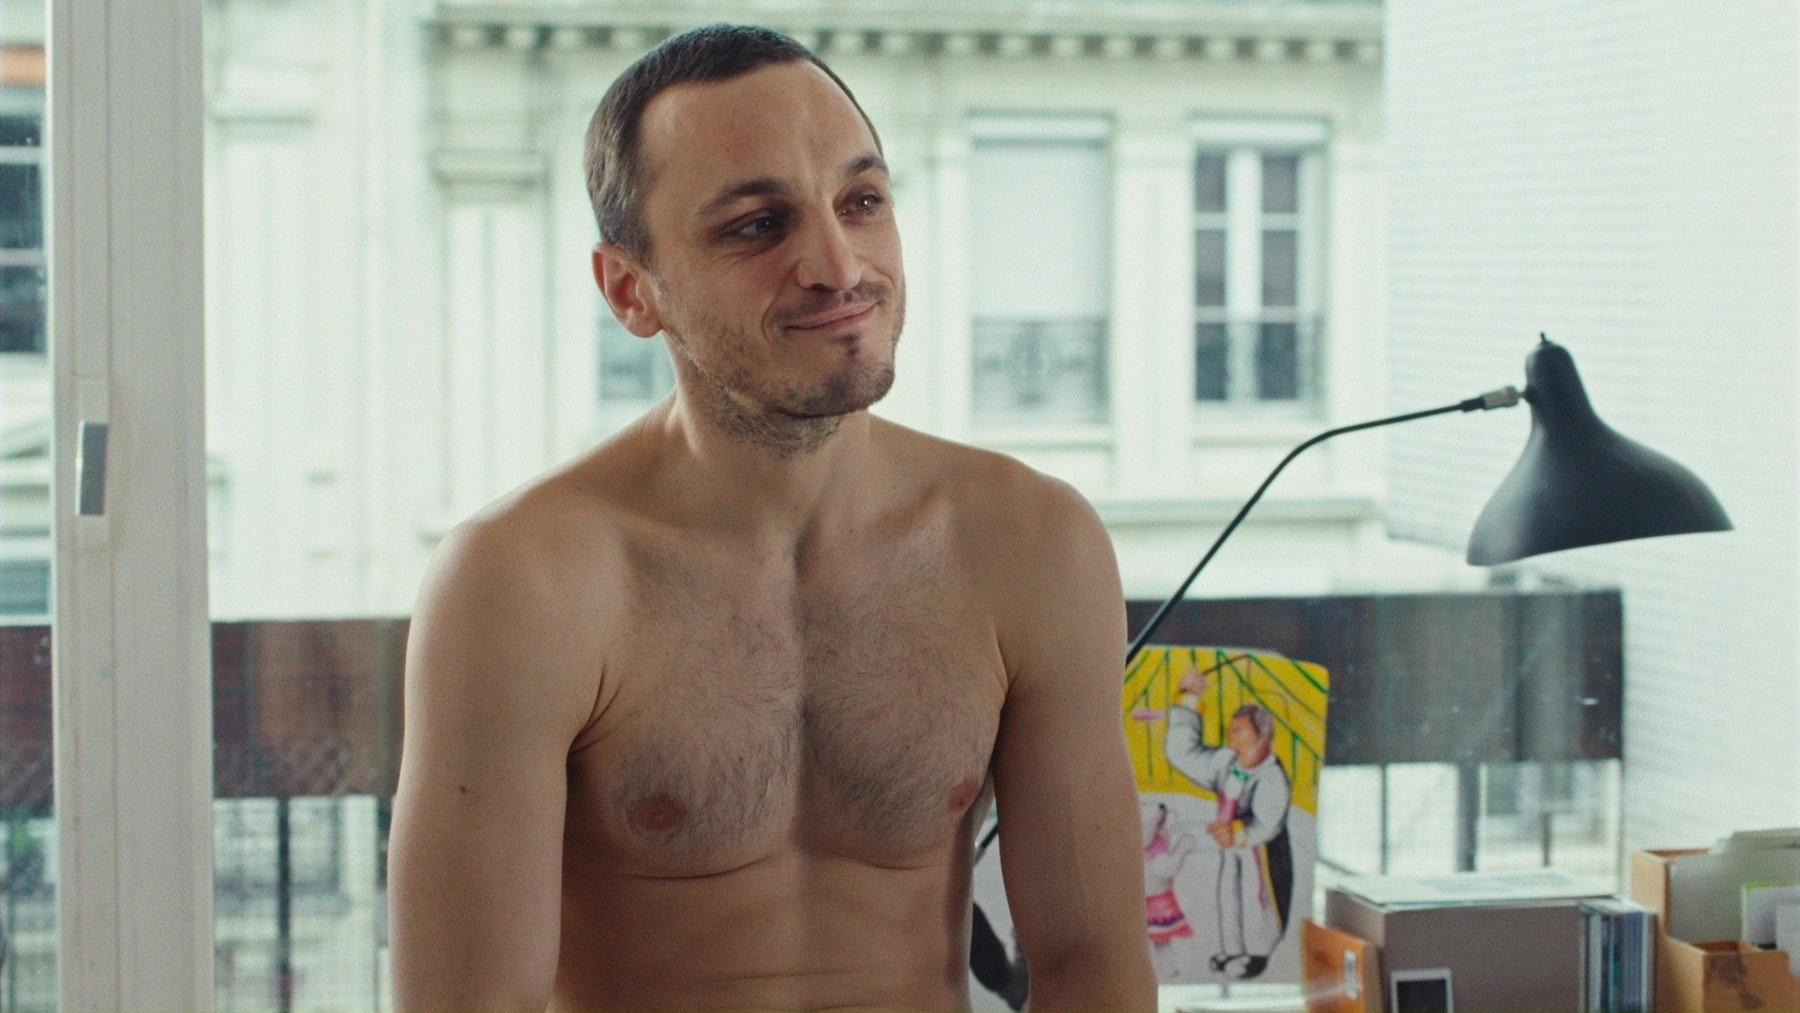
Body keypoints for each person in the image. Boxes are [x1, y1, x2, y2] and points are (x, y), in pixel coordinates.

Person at [386, 23, 1155, 1012]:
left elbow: (1094, 966)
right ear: (631, 290)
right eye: (757, 225)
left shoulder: (1031, 542)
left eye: (862, 201)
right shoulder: (522, 581)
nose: (838, 264)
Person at [1165, 667, 1294, 981]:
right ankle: (1233, 950)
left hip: (1261, 855)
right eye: (1230, 730)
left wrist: (1239, 832)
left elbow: (1268, 824)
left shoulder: (1271, 777)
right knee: (1229, 897)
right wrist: (1188, 700)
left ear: (1262, 736)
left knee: (1255, 903)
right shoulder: (1227, 762)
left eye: (1239, 731)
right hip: (1232, 850)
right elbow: (1183, 754)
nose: (1230, 738)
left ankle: (1257, 955)